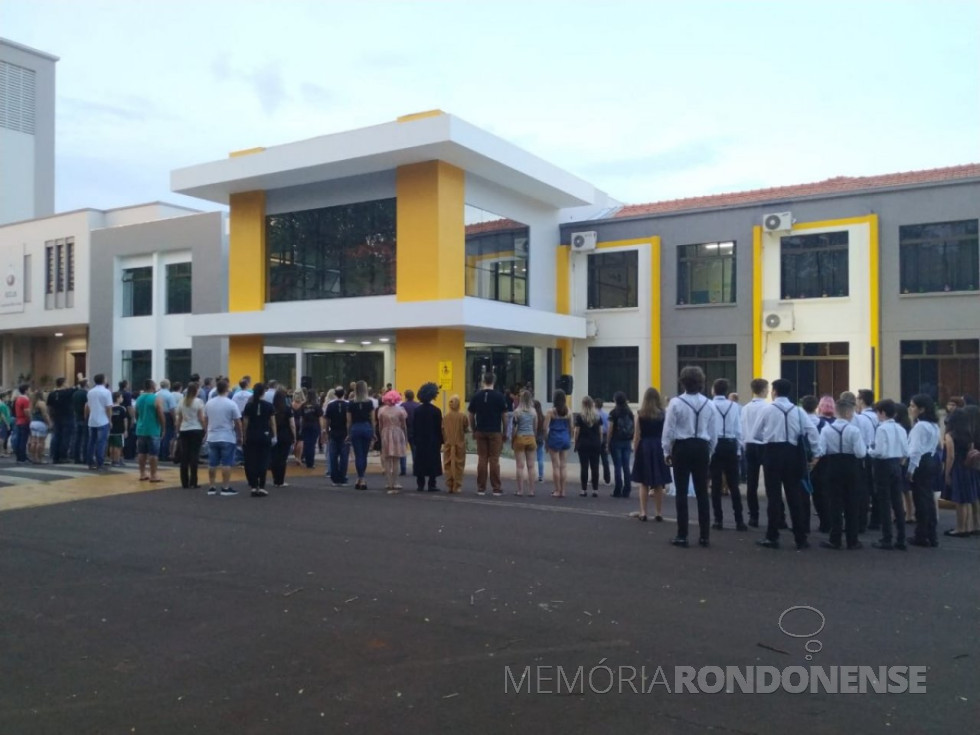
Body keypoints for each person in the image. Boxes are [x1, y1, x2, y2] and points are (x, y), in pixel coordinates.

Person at [754, 378, 822, 550]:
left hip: (772, 452)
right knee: (794, 496)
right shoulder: (798, 411)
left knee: (774, 496)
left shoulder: (767, 409)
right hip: (792, 453)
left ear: (774, 391)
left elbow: (756, 433)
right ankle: (800, 537)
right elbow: (812, 431)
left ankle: (772, 535)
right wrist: (816, 451)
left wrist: (767, 437)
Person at [663, 367, 718, 547]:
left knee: (681, 491)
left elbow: (669, 430)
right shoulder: (709, 404)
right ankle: (705, 535)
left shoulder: (676, 403)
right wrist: (709, 451)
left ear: (682, 382)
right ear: (701, 383)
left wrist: (667, 451)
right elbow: (713, 432)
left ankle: (682, 534)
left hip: (682, 446)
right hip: (701, 446)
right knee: (702, 492)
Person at [817, 398, 867, 550]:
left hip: (832, 466)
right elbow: (860, 453)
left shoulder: (826, 429)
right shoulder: (854, 430)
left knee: (834, 503)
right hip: (851, 466)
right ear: (848, 412)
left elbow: (821, 450)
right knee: (852, 503)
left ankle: (835, 538)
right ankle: (852, 540)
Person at [868, 399, 910, 550]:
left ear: (882, 413)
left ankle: (887, 538)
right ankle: (901, 538)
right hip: (896, 464)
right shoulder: (900, 428)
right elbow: (906, 451)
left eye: (878, 412)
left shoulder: (882, 429)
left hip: (883, 465)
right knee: (897, 501)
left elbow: (879, 451)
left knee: (884, 502)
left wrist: (869, 450)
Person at [709, 378, 746, 531]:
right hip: (731, 444)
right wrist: (738, 449)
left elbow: (708, 427)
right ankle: (739, 520)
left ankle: (718, 519)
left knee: (716, 484)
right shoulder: (734, 406)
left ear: (713, 390)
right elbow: (738, 429)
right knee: (734, 484)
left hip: (716, 445)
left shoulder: (709, 405)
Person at [468, 372, 509, 497]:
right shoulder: (499, 396)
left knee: (482, 459)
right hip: (495, 431)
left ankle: (481, 488)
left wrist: (474, 429)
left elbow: (470, 414)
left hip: (480, 430)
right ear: (494, 382)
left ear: (483, 381)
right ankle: (496, 488)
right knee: (494, 460)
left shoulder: (477, 396)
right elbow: (504, 416)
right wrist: (505, 432)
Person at [907, 394, 940, 547]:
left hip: (921, 462)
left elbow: (914, 450)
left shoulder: (920, 426)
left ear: (922, 409)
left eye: (913, 406)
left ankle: (921, 535)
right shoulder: (934, 425)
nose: (910, 409)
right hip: (931, 460)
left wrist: (910, 470)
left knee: (920, 500)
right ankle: (931, 534)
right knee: (928, 498)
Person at [942, 408, 979, 537]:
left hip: (958, 467)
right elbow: (972, 451)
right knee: (970, 498)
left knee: (960, 500)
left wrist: (947, 473)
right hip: (969, 467)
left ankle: (960, 528)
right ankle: (971, 526)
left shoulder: (950, 435)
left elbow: (950, 456)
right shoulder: (969, 434)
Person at [205, 378, 243, 496]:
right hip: (227, 436)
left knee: (212, 463)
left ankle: (211, 486)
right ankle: (225, 487)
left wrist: (207, 431)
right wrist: (240, 435)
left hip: (212, 436)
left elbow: (206, 419)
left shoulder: (209, 403)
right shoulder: (231, 404)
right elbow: (237, 421)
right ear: (227, 389)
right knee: (226, 463)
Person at [740, 378, 770, 527]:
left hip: (749, 444)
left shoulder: (745, 408)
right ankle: (775, 514)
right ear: (764, 390)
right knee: (771, 481)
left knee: (751, 482)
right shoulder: (768, 407)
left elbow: (741, 427)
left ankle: (753, 515)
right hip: (764, 445)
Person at [242, 384, 276, 497]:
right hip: (264, 435)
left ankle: (253, 485)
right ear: (263, 393)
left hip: (252, 435)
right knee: (264, 460)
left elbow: (245, 422)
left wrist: (244, 435)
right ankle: (261, 486)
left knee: (252, 461)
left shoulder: (249, 405)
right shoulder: (269, 406)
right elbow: (272, 422)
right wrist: (274, 435)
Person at [853, 389, 880, 532]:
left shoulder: (860, 418)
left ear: (862, 400)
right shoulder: (877, 416)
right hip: (878, 455)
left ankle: (861, 521)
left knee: (863, 489)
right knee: (876, 488)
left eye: (858, 398)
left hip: (864, 455)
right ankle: (877, 520)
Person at [412, 383, 443, 492]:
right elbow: (439, 427)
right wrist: (441, 440)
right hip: (432, 440)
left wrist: (414, 439)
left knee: (420, 460)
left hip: (420, 439)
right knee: (432, 461)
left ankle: (420, 484)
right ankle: (432, 484)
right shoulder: (436, 411)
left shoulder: (417, 410)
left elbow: (414, 426)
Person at [176, 382, 206, 489]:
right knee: (194, 455)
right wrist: (205, 429)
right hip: (196, 429)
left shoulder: (181, 402)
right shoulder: (198, 402)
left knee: (184, 456)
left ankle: (184, 482)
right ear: (196, 391)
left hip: (184, 429)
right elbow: (201, 418)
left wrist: (178, 430)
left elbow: (179, 418)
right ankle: (194, 481)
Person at [347, 380, 376, 490]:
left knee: (358, 454)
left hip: (355, 427)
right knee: (364, 454)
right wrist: (373, 432)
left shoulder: (351, 403)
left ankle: (360, 477)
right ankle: (362, 478)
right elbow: (373, 419)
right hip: (366, 427)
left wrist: (348, 433)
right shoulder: (369, 403)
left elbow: (348, 421)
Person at [134, 379, 165, 483]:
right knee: (153, 454)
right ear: (152, 387)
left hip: (140, 428)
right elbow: (160, 413)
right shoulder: (156, 399)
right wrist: (163, 427)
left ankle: (142, 473)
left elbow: (136, 413)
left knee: (142, 452)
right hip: (153, 429)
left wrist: (139, 422)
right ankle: (153, 475)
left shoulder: (139, 398)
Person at [377, 389, 408, 494]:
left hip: (385, 433)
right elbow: (404, 425)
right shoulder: (401, 410)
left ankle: (389, 482)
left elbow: (380, 425)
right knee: (396, 459)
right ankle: (395, 482)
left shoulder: (381, 411)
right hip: (397, 433)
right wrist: (405, 436)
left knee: (387, 459)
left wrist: (382, 434)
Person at [544, 388, 572, 498]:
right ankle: (563, 490)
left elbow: (544, 428)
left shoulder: (551, 412)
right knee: (563, 466)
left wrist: (546, 442)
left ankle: (557, 490)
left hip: (554, 438)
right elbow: (571, 427)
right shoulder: (568, 411)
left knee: (555, 466)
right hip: (565, 437)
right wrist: (569, 437)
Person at [509, 389, 538, 496]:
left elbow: (514, 428)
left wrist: (512, 439)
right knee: (531, 466)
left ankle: (520, 490)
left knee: (520, 466)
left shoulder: (517, 412)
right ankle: (531, 490)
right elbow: (535, 426)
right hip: (531, 437)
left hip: (520, 437)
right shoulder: (533, 411)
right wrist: (533, 436)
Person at [574, 395, 603, 497]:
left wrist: (575, 442)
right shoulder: (597, 416)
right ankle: (595, 490)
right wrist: (600, 442)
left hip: (583, 444)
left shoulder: (579, 417)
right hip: (595, 443)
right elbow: (600, 432)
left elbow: (577, 431)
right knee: (595, 467)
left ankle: (584, 489)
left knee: (584, 467)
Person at [607, 392, 634, 499]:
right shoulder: (629, 412)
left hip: (616, 441)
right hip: (627, 441)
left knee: (617, 466)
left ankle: (618, 489)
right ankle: (627, 489)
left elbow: (610, 429)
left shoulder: (613, 413)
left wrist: (607, 442)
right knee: (626, 465)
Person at [85, 374, 114, 471]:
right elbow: (108, 408)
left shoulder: (90, 392)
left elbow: (88, 406)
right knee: (101, 442)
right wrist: (110, 420)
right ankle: (100, 463)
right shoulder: (106, 392)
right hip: (103, 420)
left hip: (92, 419)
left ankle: (90, 462)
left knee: (91, 442)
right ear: (103, 380)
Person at [322, 388, 349, 486]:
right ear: (344, 394)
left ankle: (335, 478)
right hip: (344, 432)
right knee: (344, 456)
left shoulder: (330, 405)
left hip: (333, 432)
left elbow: (327, 419)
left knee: (333, 455)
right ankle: (343, 477)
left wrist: (325, 431)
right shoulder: (347, 404)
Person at [270, 387, 296, 488]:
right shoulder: (287, 409)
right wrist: (294, 436)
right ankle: (280, 480)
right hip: (285, 435)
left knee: (274, 458)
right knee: (283, 458)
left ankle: (275, 479)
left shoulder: (271, 408)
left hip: (274, 435)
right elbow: (292, 424)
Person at [442, 394, 468, 494]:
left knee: (448, 464)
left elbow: (443, 429)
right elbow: (466, 428)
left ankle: (450, 485)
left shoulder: (445, 416)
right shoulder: (463, 416)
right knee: (459, 465)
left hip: (448, 444)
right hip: (459, 444)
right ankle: (457, 486)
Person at [46, 377, 74, 464]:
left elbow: (49, 407)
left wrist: (50, 417)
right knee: (66, 437)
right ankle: (63, 456)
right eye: (67, 382)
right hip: (67, 416)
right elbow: (80, 386)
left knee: (56, 436)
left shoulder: (52, 394)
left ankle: (55, 456)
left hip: (56, 417)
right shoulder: (67, 392)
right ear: (63, 383)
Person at [298, 388, 321, 469]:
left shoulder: (303, 405)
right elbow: (320, 417)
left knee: (307, 444)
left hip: (305, 425)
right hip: (314, 425)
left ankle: (308, 461)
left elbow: (301, 417)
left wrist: (300, 428)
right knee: (312, 444)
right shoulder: (316, 406)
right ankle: (311, 462)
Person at [156, 379, 178, 462]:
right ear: (168, 385)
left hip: (158, 414)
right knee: (168, 435)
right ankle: (165, 454)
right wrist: (175, 419)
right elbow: (172, 408)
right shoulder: (169, 395)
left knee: (159, 434)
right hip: (168, 415)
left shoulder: (156, 394)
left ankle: (159, 453)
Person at [399, 389, 419, 477]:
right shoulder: (417, 406)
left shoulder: (402, 406)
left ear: (406, 396)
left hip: (404, 430)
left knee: (403, 450)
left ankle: (403, 469)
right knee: (415, 450)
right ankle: (416, 468)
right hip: (415, 430)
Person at [28, 390, 51, 464]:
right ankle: (39, 458)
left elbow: (30, 414)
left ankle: (34, 457)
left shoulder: (32, 403)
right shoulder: (41, 403)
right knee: (41, 442)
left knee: (33, 441)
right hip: (40, 423)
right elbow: (45, 414)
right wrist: (49, 423)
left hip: (33, 422)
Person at [108, 392, 129, 468]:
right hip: (119, 430)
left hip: (111, 430)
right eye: (121, 397)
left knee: (111, 445)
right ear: (117, 398)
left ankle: (112, 459)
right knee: (118, 446)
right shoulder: (122, 408)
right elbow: (125, 420)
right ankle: (117, 460)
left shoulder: (110, 408)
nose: (122, 399)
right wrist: (126, 429)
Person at [12, 383, 31, 463]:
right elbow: (26, 411)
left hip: (18, 421)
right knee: (23, 440)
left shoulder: (18, 399)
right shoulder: (25, 399)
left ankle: (19, 457)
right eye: (29, 389)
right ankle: (22, 457)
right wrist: (30, 419)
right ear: (26, 390)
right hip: (24, 421)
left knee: (19, 440)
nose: (30, 391)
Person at [594, 397, 612, 486]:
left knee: (595, 459)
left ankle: (594, 478)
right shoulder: (606, 414)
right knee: (605, 459)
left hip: (596, 436)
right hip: (605, 435)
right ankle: (607, 478)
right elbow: (608, 426)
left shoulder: (594, 414)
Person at [71, 379, 89, 464]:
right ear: (85, 385)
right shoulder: (86, 394)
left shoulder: (75, 393)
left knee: (77, 439)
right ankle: (85, 457)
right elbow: (87, 406)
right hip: (84, 417)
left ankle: (76, 457)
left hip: (77, 417)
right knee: (85, 439)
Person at [533, 399, 547, 483]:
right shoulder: (543, 417)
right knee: (540, 457)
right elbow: (545, 429)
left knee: (530, 458)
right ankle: (541, 475)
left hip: (532, 438)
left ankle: (531, 474)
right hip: (540, 439)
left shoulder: (532, 415)